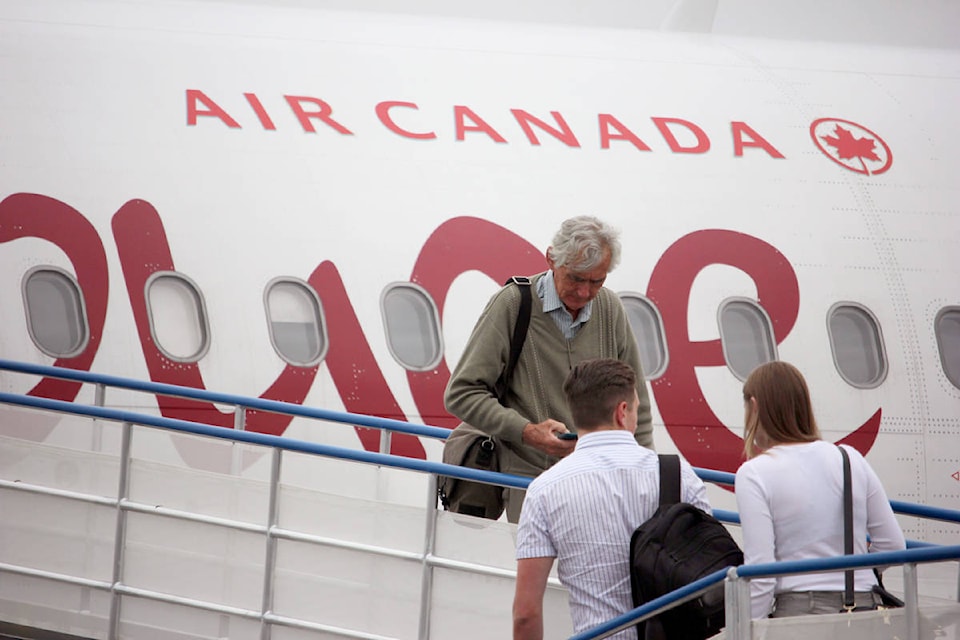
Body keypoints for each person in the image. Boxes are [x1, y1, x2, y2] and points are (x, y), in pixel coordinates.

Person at [444, 215, 653, 522]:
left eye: (597, 281)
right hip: (531, 485)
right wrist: (527, 432)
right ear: (551, 259)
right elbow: (461, 394)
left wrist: (646, 472)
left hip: (600, 487)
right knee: (532, 570)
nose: (584, 293)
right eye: (576, 279)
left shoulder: (609, 309)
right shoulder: (512, 305)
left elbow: (637, 405)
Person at [512, 359, 710, 640]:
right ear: (623, 411)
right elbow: (712, 573)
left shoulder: (544, 489)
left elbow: (525, 614)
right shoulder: (679, 474)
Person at [734, 361, 906, 619]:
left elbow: (761, 574)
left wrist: (748, 629)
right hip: (863, 610)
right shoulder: (850, 458)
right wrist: (850, 575)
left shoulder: (754, 473)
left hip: (800, 614)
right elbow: (893, 546)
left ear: (755, 406)